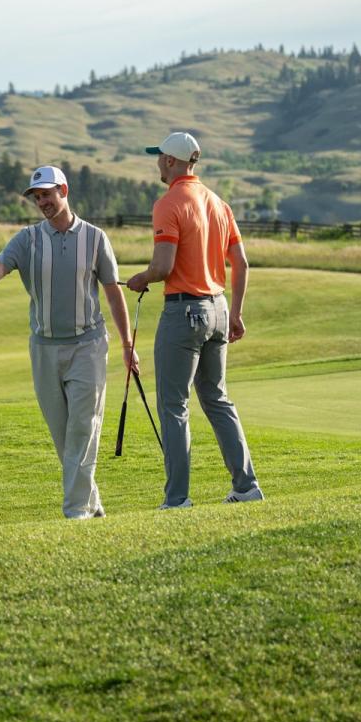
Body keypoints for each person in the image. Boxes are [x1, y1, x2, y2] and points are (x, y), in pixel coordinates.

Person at [0, 165, 138, 519]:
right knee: (64, 436)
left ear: (64, 191)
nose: (42, 202)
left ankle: (75, 511)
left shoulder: (96, 237)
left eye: (47, 194)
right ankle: (93, 504)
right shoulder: (27, 239)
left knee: (83, 428)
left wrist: (127, 345)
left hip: (88, 345)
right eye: (37, 197)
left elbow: (113, 292)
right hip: (44, 349)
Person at [126, 132, 264, 509]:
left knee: (173, 406)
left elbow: (163, 266)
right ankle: (247, 486)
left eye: (160, 158)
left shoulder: (168, 203)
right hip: (218, 308)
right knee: (217, 399)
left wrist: (141, 278)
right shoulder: (219, 203)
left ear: (171, 161)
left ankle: (178, 499)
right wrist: (234, 313)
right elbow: (242, 264)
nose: (157, 163)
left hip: (184, 311)